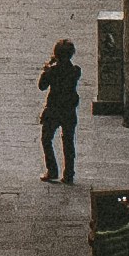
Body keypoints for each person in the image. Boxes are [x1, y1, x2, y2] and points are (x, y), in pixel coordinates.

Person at [37, 37, 82, 183]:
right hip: (69, 109)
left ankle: (52, 170)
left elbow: (42, 86)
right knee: (68, 142)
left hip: (54, 109)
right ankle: (68, 174)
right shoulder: (75, 71)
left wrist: (47, 68)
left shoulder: (52, 71)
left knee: (46, 139)